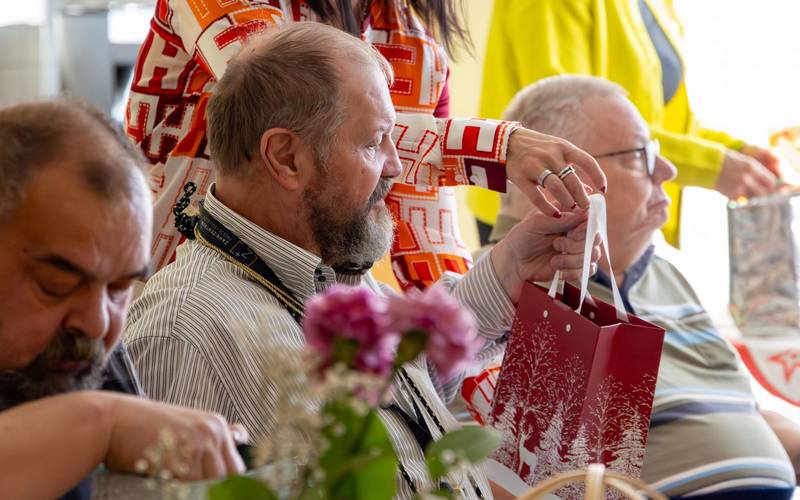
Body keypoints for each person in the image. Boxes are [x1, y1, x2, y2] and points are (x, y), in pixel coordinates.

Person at [124, 23, 601, 499]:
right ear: (286, 158)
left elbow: (407, 389)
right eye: (374, 142)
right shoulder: (183, 332)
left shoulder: (332, 268)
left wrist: (510, 272)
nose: (395, 165)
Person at [126, 0, 605, 290]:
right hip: (182, 307)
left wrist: (501, 403)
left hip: (320, 320)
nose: (392, 164)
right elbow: (286, 98)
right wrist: (497, 147)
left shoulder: (414, 45)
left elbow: (429, 254)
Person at [478, 74, 799, 499]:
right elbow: (522, 484)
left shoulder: (665, 277)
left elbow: (742, 412)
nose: (667, 171)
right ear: (551, 176)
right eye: (640, 155)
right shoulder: (516, 294)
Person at [0, 99, 244, 500]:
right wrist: (102, 426)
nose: (98, 323)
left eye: (119, 289)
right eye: (56, 282)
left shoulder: (81, 357)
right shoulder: (101, 408)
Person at [471, 0, 780, 247]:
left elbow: (656, 116)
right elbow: (566, 124)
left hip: (618, 213)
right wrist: (714, 166)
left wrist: (735, 153)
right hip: (543, 211)